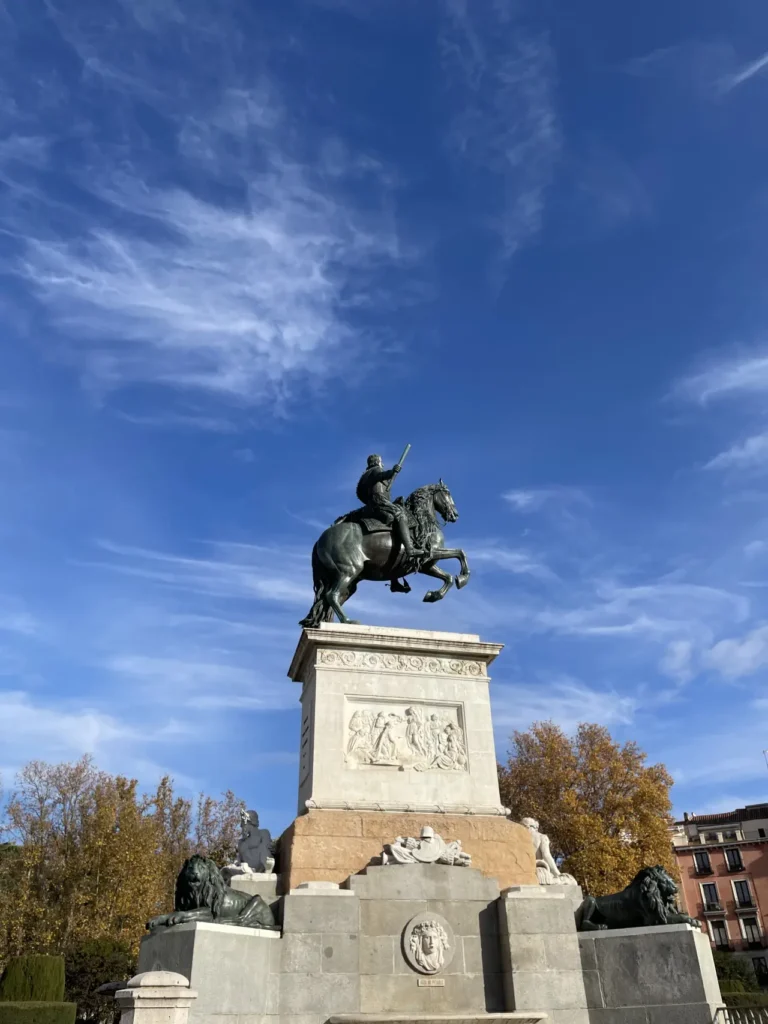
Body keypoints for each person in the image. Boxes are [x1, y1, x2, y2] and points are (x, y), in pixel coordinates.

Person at [356, 454, 424, 559]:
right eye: (380, 461)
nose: (382, 463)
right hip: (379, 501)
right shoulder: (375, 470)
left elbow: (359, 494)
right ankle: (410, 548)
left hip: (371, 504)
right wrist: (392, 471)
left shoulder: (364, 476)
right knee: (400, 514)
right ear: (376, 462)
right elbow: (382, 475)